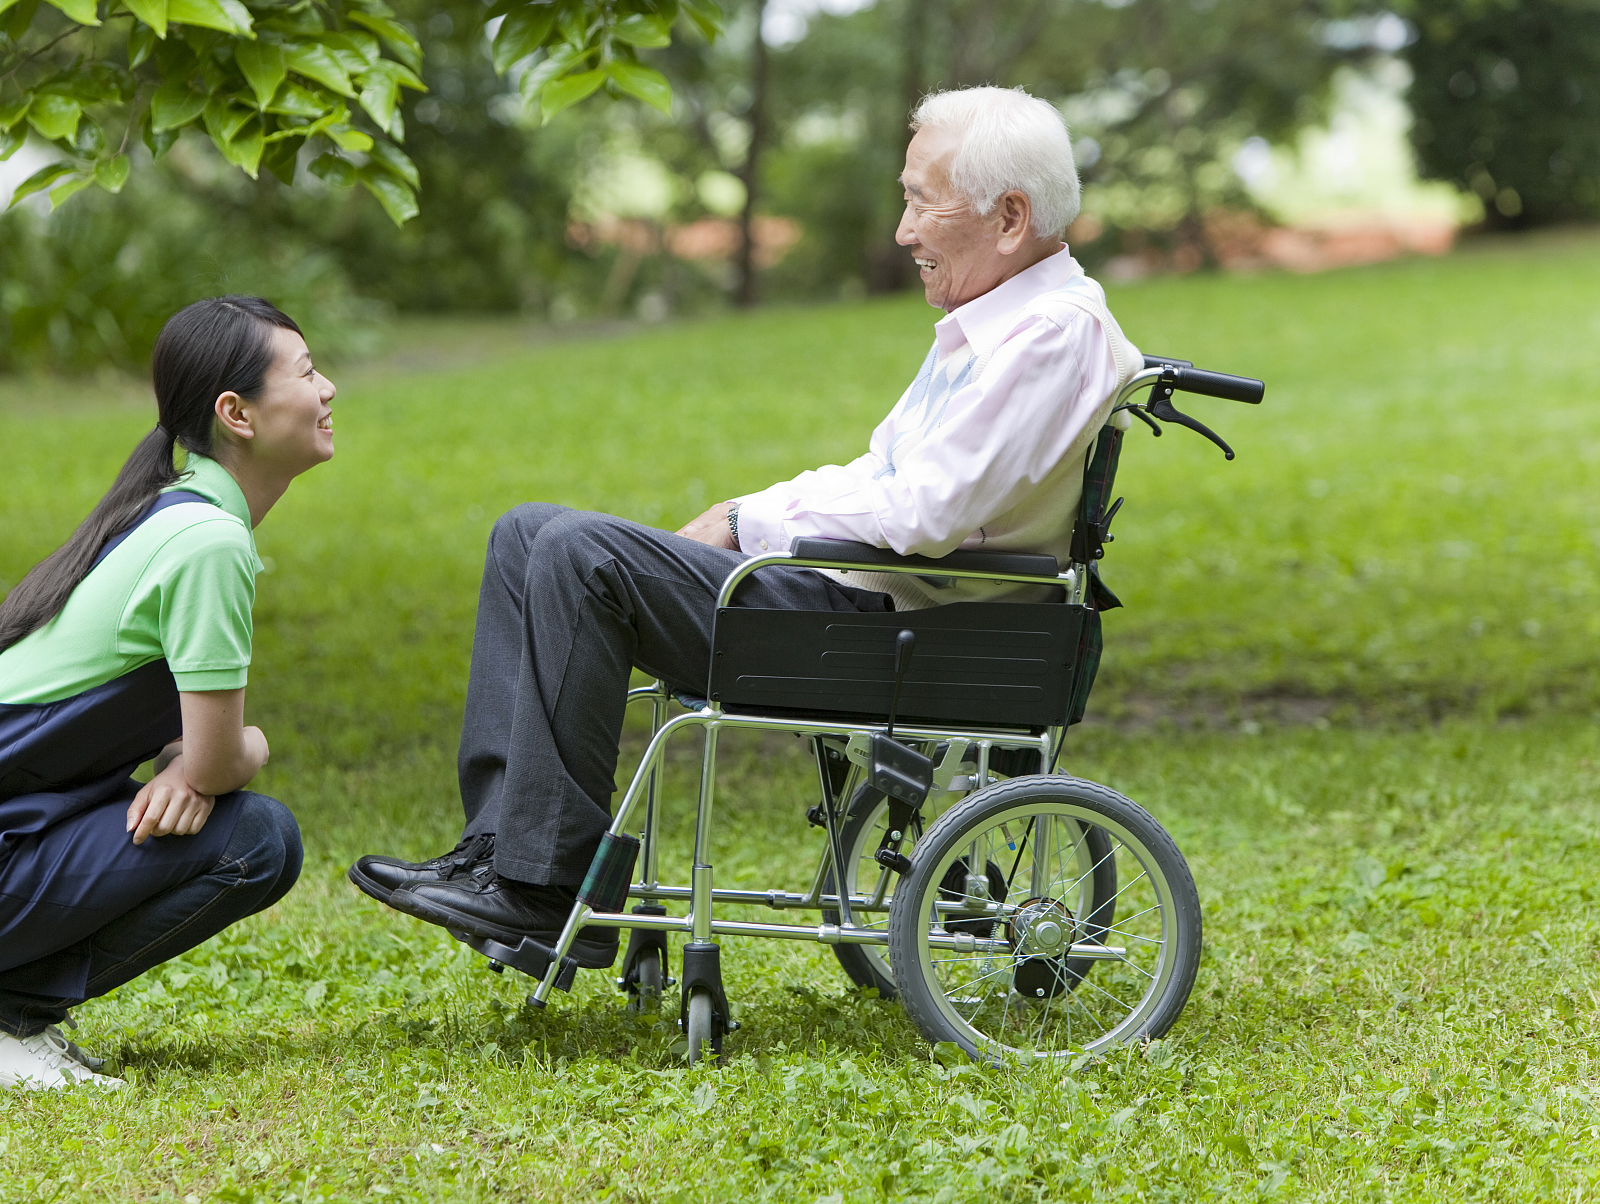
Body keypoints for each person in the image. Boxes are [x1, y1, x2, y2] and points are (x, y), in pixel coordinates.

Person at [349, 86, 1144, 964]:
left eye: (921, 200)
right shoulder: (994, 326)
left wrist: (746, 518)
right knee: (527, 533)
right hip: (868, 605)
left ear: (1009, 217)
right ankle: (499, 852)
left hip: (901, 628)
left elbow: (926, 511)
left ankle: (541, 889)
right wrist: (746, 513)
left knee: (578, 554)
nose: (902, 230)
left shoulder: (1047, 336)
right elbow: (884, 472)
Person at [0, 295, 334, 1090]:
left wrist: (190, 763)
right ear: (236, 413)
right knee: (258, 840)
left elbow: (183, 747)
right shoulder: (208, 541)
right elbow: (218, 760)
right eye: (306, 372)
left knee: (238, 824)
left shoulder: (171, 513)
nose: (328, 388)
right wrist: (227, 755)